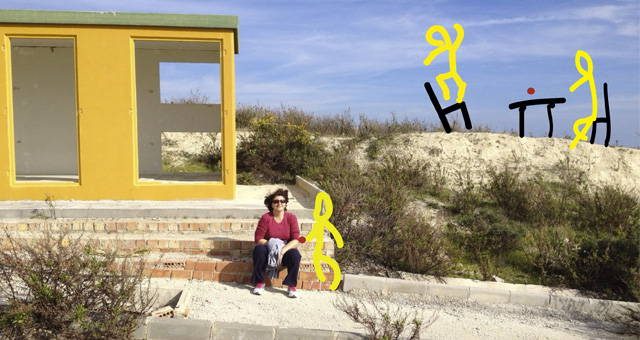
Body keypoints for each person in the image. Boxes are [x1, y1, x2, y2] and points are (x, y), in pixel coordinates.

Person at [251, 188, 302, 298]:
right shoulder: (266, 218)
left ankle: (291, 285)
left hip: (285, 247)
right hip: (268, 246)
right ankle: (259, 283)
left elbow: (296, 239)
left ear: (285, 203)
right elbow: (258, 238)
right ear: (272, 204)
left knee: (295, 255)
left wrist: (282, 250)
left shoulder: (291, 218)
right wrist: (273, 245)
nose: (279, 203)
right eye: (276, 201)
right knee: (259, 250)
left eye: (282, 201)